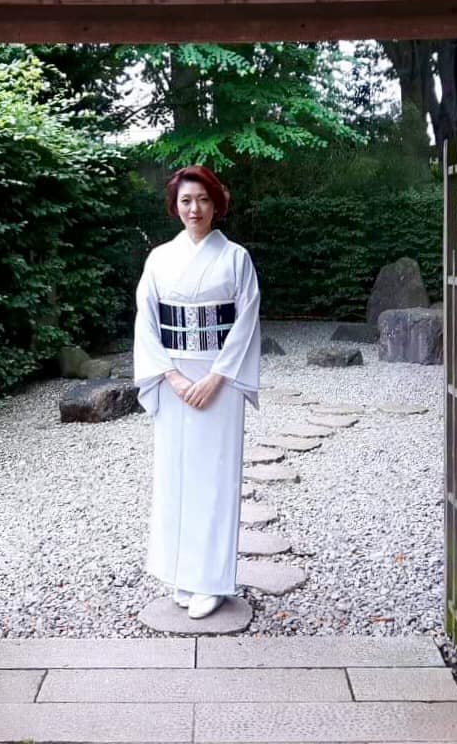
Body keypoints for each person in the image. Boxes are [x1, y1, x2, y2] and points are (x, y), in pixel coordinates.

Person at [133, 165, 261, 620]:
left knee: (214, 478)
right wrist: (171, 377)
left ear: (216, 204)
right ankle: (182, 574)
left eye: (203, 200)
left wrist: (216, 377)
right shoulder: (159, 259)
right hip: (174, 379)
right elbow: (146, 321)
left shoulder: (236, 258)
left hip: (218, 381)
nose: (194, 209)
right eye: (186, 200)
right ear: (175, 205)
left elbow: (246, 321)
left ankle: (211, 580)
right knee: (175, 477)